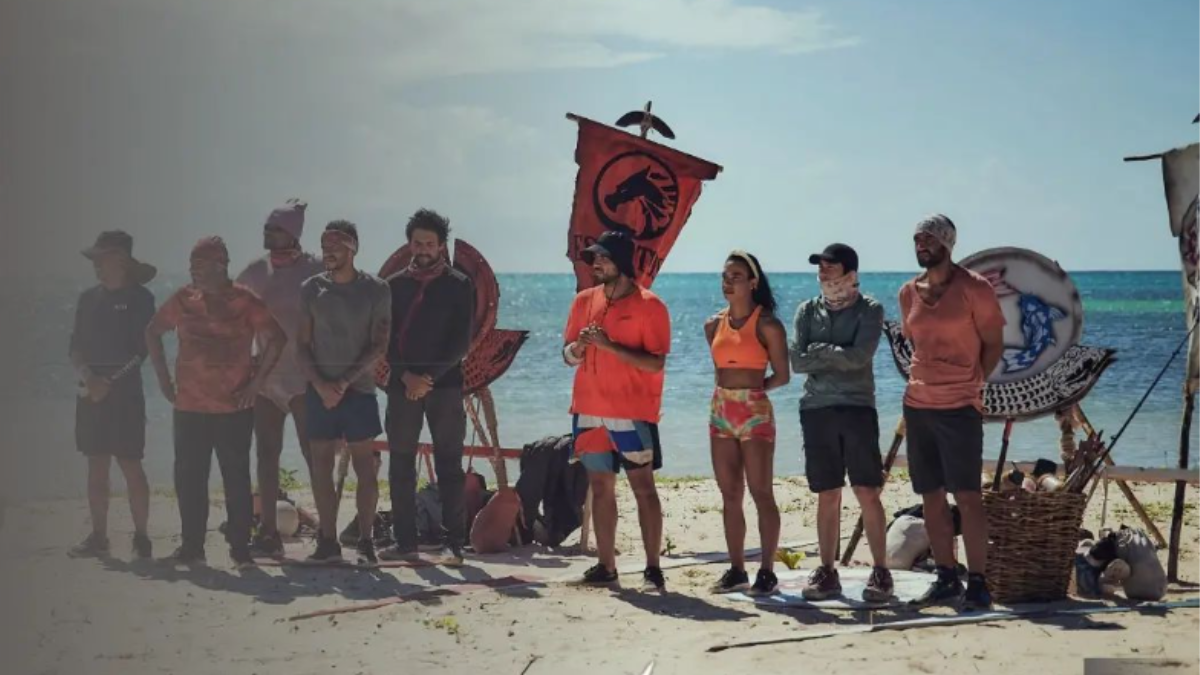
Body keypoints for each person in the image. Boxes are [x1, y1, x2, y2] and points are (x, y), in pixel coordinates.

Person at [146, 236, 286, 569]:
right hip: (189, 405)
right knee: (189, 478)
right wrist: (164, 380)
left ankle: (240, 548)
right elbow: (152, 331)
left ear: (220, 265)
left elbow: (278, 338)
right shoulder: (184, 299)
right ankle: (192, 547)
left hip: (233, 407)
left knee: (236, 477)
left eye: (200, 265)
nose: (193, 271)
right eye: (191, 265)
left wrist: (257, 383)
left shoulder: (244, 300)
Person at [898, 215, 1005, 611]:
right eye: (917, 239)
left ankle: (978, 583)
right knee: (930, 495)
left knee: (968, 495)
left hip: (960, 406)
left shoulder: (974, 288)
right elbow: (916, 345)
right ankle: (946, 577)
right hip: (918, 404)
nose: (921, 245)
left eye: (928, 238)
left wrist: (975, 382)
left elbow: (994, 342)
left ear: (947, 243)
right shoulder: (908, 292)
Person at [562, 231, 671, 591]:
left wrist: (609, 346)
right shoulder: (583, 301)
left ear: (622, 262)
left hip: (631, 412)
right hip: (588, 409)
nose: (596, 263)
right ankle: (606, 565)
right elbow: (567, 355)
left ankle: (653, 568)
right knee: (599, 486)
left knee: (643, 487)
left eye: (603, 258)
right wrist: (579, 348)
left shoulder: (650, 305)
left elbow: (655, 363)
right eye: (594, 257)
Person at [790, 243, 892, 602]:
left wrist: (821, 352)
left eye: (829, 267)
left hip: (857, 407)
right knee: (827, 492)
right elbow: (796, 361)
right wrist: (836, 355)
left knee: (867, 490)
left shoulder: (870, 309)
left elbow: (860, 357)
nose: (822, 273)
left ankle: (881, 571)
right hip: (816, 408)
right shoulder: (806, 310)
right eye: (820, 267)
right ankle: (827, 571)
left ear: (850, 273)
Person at [380, 209, 475, 566]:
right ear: (409, 244)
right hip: (401, 385)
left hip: (445, 385)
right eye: (417, 243)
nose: (423, 249)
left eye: (430, 244)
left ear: (441, 246)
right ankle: (405, 543)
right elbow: (385, 339)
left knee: (449, 464)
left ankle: (454, 545)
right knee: (400, 463)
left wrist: (428, 379)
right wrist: (407, 377)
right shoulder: (393, 285)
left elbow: (460, 342)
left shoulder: (459, 284)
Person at [296, 221, 391, 566]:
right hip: (319, 391)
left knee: (365, 466)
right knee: (320, 464)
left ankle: (366, 541)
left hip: (359, 390)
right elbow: (301, 345)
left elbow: (379, 345)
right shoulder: (311, 289)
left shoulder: (375, 289)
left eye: (335, 246)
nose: (328, 253)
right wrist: (322, 385)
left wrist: (344, 382)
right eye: (324, 246)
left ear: (353, 248)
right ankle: (327, 540)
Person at [236, 199, 325, 557]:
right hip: (266, 380)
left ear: (292, 234)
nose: (267, 233)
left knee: (314, 454)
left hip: (304, 379)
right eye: (266, 227)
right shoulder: (254, 272)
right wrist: (242, 366)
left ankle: (327, 532)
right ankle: (268, 532)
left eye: (275, 229)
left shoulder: (316, 270)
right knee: (266, 454)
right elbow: (235, 319)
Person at [68, 231, 158, 559]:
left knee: (130, 463)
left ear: (120, 259)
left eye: (101, 258)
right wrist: (89, 378)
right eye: (94, 259)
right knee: (96, 463)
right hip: (90, 391)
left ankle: (142, 537)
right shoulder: (87, 298)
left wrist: (108, 382)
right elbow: (74, 347)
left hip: (125, 394)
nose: (96, 265)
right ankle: (98, 536)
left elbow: (141, 350)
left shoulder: (141, 299)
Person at [706, 250, 789, 595]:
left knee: (760, 491)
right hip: (721, 410)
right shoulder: (713, 324)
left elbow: (782, 375)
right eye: (725, 277)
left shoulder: (768, 324)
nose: (728, 283)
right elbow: (720, 369)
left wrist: (753, 392)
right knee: (729, 494)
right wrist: (731, 395)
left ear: (753, 282)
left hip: (754, 410)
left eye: (736, 277)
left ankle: (767, 571)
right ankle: (737, 570)